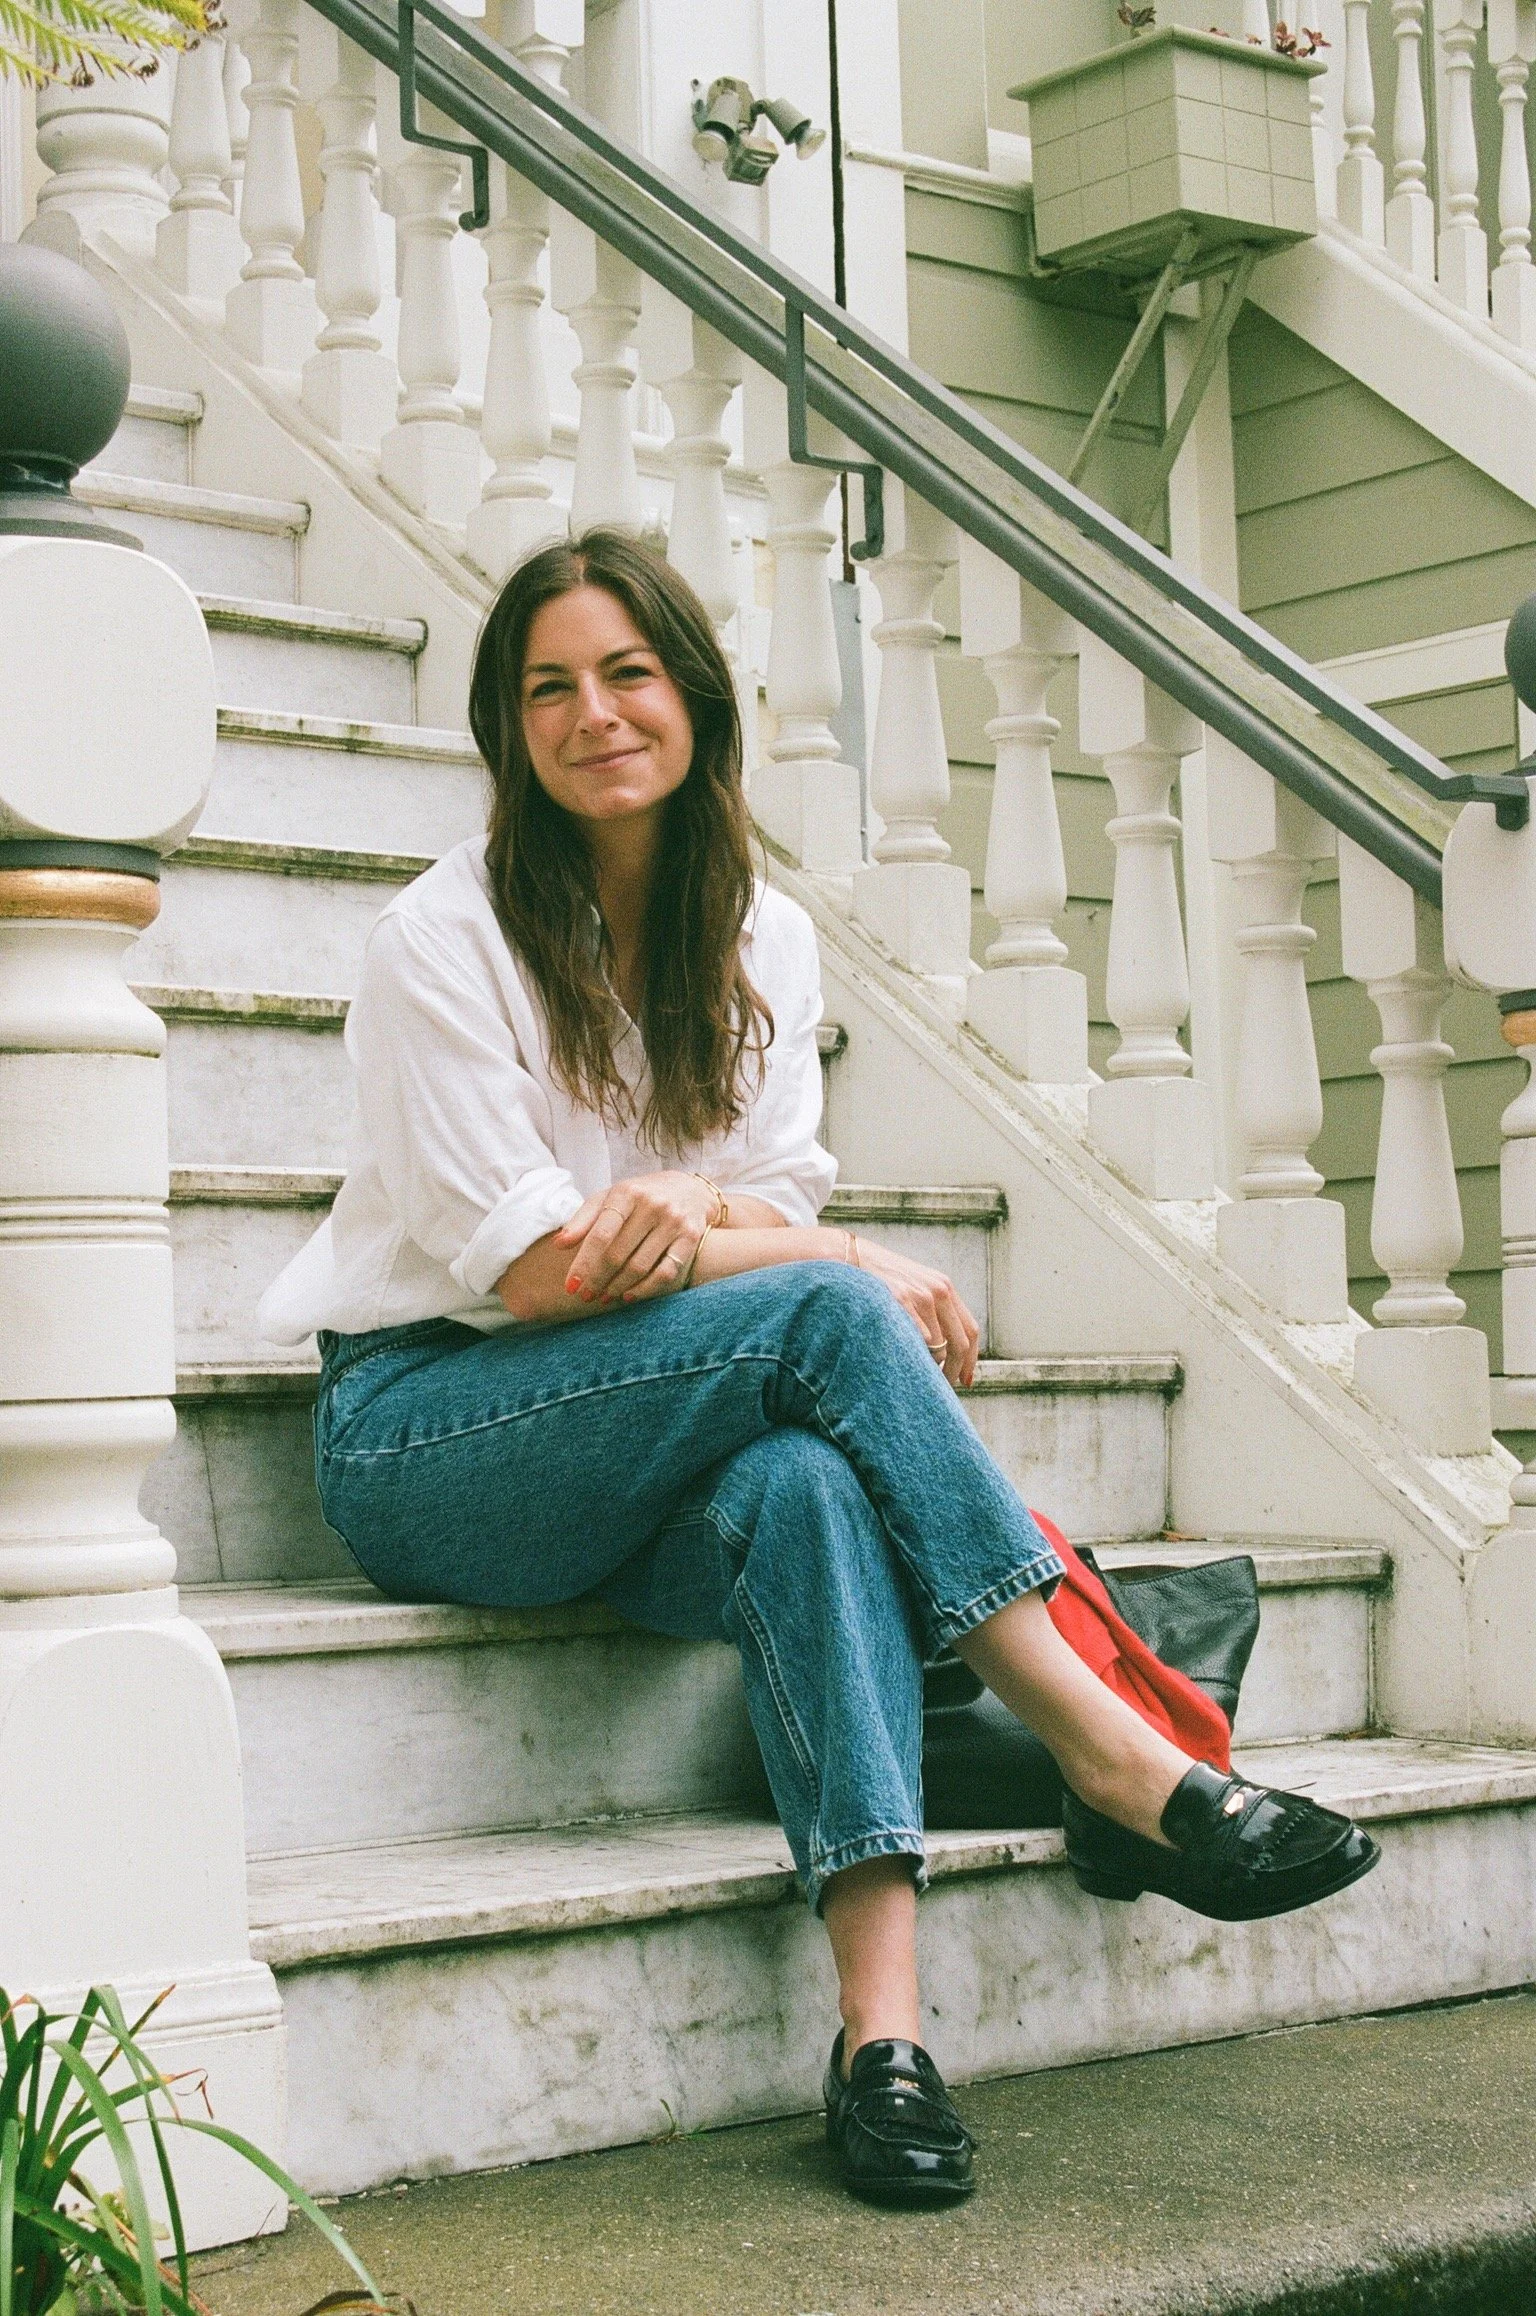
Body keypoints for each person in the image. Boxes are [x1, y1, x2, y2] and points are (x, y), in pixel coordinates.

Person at [258, 530, 1378, 2209]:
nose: (593, 714)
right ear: (507, 727)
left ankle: (882, 2041)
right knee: (832, 1314)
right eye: (549, 688)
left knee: (802, 1487)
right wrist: (834, 1254)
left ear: (697, 698)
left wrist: (712, 1207)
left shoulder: (765, 934)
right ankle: (1112, 1754)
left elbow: (763, 1196)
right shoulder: (444, 937)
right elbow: (542, 1268)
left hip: (648, 1432)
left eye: (628, 672)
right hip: (432, 1431)